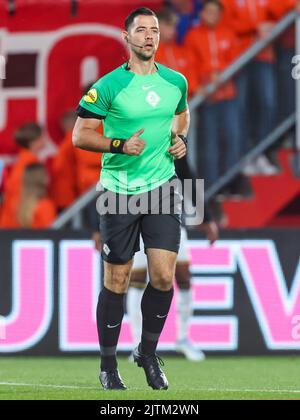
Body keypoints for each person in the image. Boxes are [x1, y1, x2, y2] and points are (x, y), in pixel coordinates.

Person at [73, 7, 189, 391]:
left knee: (162, 275)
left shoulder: (176, 81)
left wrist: (179, 139)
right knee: (118, 279)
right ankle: (108, 365)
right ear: (126, 37)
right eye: (140, 30)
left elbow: (181, 115)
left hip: (162, 188)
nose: (148, 36)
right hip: (119, 192)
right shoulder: (108, 87)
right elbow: (80, 135)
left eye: (154, 30)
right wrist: (120, 144)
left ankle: (147, 352)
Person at [127, 156, 219, 362]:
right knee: (138, 280)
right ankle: (137, 345)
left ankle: (183, 338)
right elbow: (112, 176)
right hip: (137, 216)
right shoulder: (133, 135)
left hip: (170, 218)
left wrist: (207, 218)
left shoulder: (172, 139)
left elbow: (187, 177)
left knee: (183, 276)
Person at [185, 0, 241, 188]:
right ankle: (212, 188)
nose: (211, 16)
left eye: (215, 13)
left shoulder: (228, 33)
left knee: (233, 137)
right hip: (207, 96)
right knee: (210, 144)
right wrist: (205, 79)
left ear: (219, 15)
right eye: (208, 12)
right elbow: (190, 65)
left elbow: (237, 61)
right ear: (201, 14)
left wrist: (223, 72)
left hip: (228, 94)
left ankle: (231, 183)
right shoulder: (192, 36)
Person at [0, 123, 45, 228]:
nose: (44, 140)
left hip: (13, 216)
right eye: (41, 137)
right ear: (33, 142)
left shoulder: (24, 159)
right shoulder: (30, 162)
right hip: (17, 219)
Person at [155, 7, 199, 97]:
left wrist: (194, 88)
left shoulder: (183, 52)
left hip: (188, 104)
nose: (172, 30)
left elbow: (192, 78)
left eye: (174, 26)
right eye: (168, 25)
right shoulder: (148, 55)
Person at [18, 163, 57, 229]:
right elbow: (51, 233)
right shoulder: (45, 205)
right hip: (41, 238)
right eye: (46, 174)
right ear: (42, 179)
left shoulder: (22, 204)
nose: (49, 176)